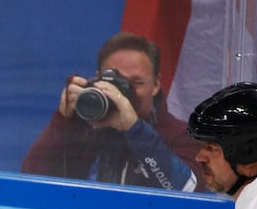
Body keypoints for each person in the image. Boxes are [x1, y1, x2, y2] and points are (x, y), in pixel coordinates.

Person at [21, 32, 201, 191]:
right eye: (116, 82)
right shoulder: (84, 129)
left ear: (156, 84)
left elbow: (185, 190)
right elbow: (30, 181)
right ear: (99, 78)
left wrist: (135, 129)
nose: (123, 93)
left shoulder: (182, 136)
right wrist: (64, 120)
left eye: (136, 83)